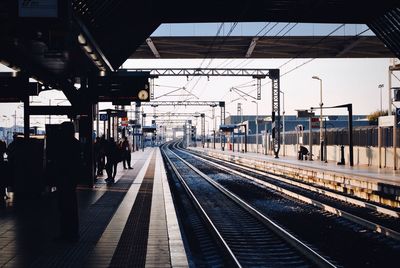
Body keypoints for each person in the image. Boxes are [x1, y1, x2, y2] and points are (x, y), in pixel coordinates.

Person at [54, 122, 81, 242]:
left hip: (64, 178)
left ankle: (66, 233)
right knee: (71, 207)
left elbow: (59, 161)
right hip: (71, 179)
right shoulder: (76, 143)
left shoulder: (63, 144)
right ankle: (73, 233)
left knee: (64, 207)